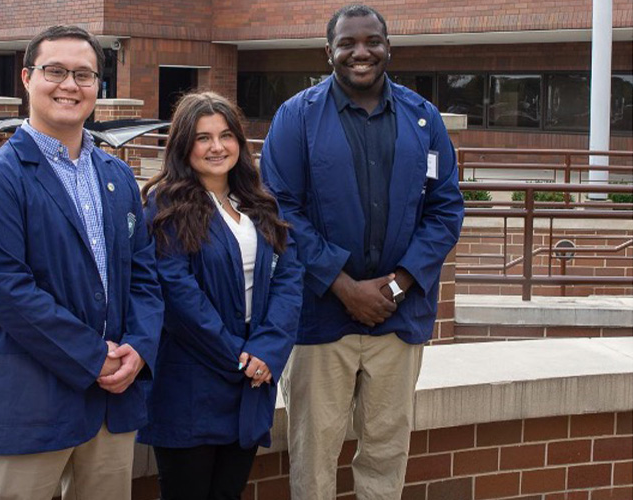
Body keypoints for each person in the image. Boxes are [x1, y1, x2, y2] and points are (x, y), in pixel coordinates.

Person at [260, 5, 465, 500]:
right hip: (320, 319)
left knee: (385, 453)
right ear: (327, 51)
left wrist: (396, 286)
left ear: (388, 46)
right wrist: (343, 286)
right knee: (313, 456)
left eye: (372, 41)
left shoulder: (423, 118)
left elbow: (445, 209)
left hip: (397, 319)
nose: (361, 52)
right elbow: (279, 208)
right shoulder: (297, 117)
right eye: (347, 43)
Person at [0, 25, 163, 500]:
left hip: (113, 405)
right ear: (27, 78)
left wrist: (140, 347)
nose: (70, 85)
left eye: (84, 74)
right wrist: (95, 357)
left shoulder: (118, 176)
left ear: (97, 87)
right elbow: (8, 293)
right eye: (55, 71)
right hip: (30, 406)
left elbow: (145, 274)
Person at [138, 91, 304, 500]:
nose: (217, 147)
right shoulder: (165, 207)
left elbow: (290, 275)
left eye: (226, 135)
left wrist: (267, 349)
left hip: (251, 379)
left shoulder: (260, 202)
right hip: (192, 380)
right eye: (203, 137)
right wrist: (239, 356)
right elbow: (177, 293)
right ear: (183, 145)